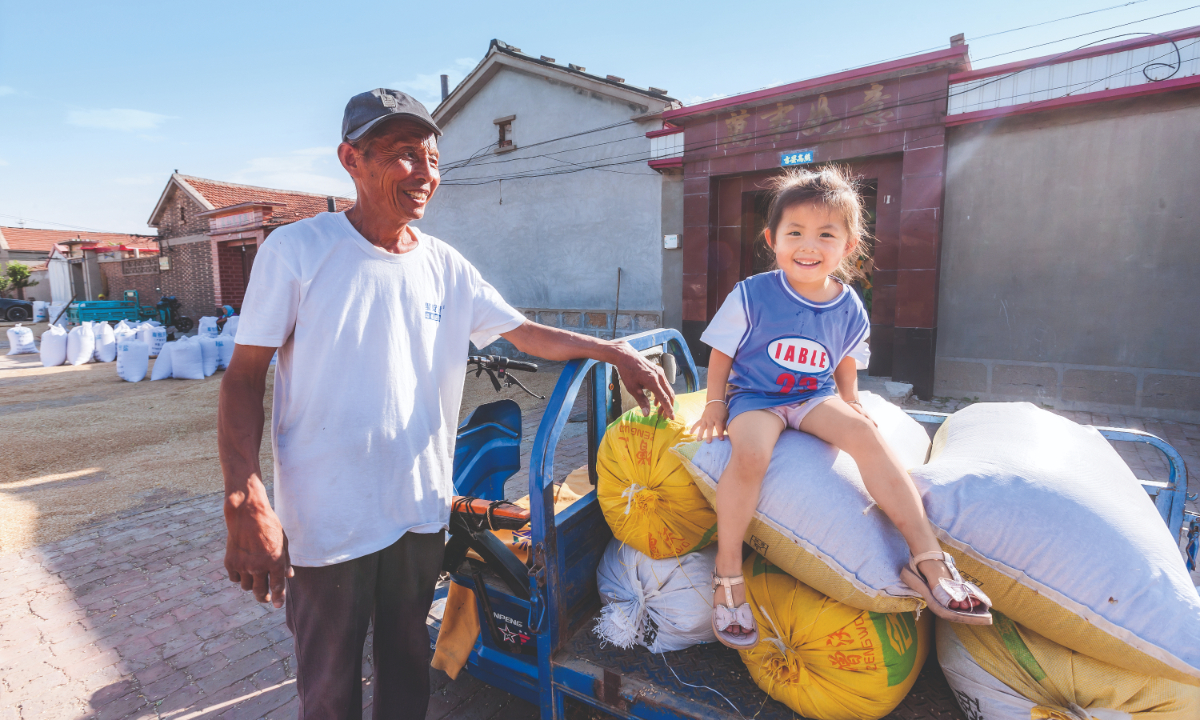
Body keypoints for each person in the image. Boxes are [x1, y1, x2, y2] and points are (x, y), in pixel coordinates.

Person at [218, 88, 675, 719]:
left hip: (416, 510)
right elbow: (243, 378)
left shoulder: (444, 266)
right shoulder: (297, 252)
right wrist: (244, 495)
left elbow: (524, 333)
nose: (426, 174)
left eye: (433, 157)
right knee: (330, 685)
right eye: (405, 155)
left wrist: (611, 351)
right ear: (352, 160)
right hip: (329, 518)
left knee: (408, 668)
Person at [689, 166, 991, 649]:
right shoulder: (751, 293)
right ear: (772, 239)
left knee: (867, 437)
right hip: (756, 398)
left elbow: (847, 357)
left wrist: (850, 402)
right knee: (750, 456)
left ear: (848, 246)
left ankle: (927, 557)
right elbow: (722, 351)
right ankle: (728, 572)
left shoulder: (849, 302)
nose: (808, 245)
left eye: (825, 234)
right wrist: (715, 404)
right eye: (795, 233)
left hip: (813, 396)